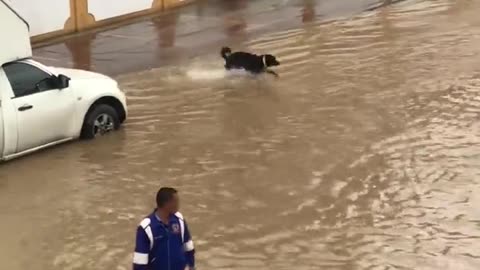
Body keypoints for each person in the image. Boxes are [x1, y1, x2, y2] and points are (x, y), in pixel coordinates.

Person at [133, 187, 195, 270]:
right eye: (176, 202)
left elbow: (188, 246)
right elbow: (140, 262)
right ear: (167, 204)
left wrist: (191, 265)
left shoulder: (179, 220)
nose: (178, 204)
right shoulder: (146, 228)